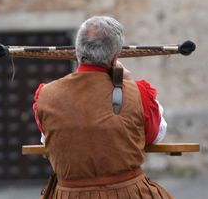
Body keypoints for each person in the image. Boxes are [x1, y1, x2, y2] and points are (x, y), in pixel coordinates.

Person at [32, 16, 172, 198]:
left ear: (77, 52)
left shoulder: (46, 95)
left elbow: (48, 140)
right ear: (115, 58)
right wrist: (128, 81)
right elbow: (155, 135)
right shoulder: (138, 92)